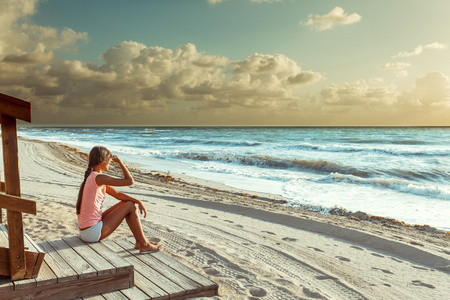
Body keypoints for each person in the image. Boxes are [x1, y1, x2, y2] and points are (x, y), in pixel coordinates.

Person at [76, 146, 161, 253]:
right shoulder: (98, 178)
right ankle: (143, 244)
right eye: (109, 160)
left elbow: (118, 195)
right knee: (130, 205)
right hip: (91, 233)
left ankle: (140, 242)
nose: (110, 162)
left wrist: (138, 201)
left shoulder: (93, 178)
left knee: (128, 203)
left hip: (87, 231)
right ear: (101, 161)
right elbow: (129, 181)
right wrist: (120, 162)